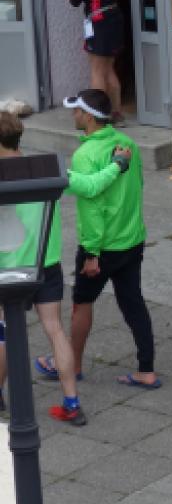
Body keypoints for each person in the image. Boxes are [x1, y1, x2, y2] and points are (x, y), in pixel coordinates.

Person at [0, 110, 130, 425]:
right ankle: (72, 403)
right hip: (46, 266)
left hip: (6, 269)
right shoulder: (47, 170)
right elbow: (90, 185)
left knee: (2, 332)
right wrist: (118, 164)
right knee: (55, 330)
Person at [64, 89, 161, 390]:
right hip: (132, 240)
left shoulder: (85, 155)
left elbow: (93, 209)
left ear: (89, 116)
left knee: (82, 303)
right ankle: (146, 370)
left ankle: (72, 365)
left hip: (102, 247)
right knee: (133, 304)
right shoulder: (127, 144)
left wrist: (91, 253)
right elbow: (138, 186)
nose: (73, 115)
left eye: (76, 111)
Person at [58, 0, 126, 127]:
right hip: (113, 18)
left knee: (97, 71)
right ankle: (117, 114)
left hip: (99, 22)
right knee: (109, 70)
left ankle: (99, 116)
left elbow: (77, 0)